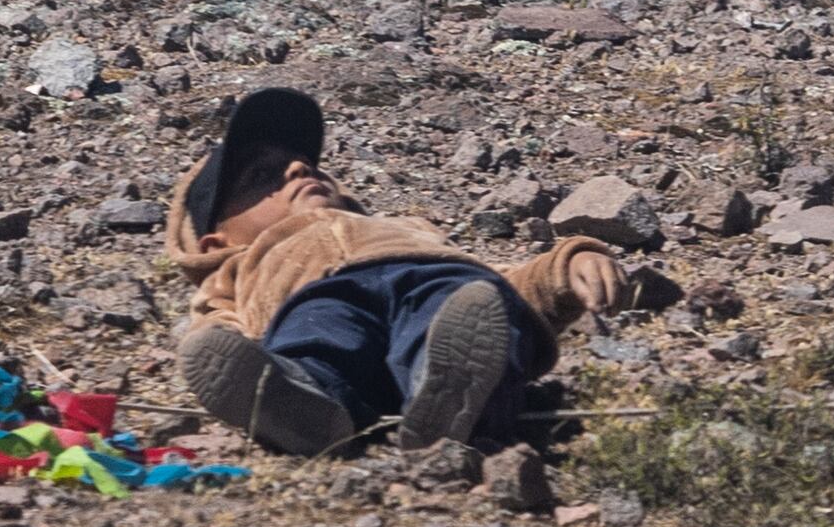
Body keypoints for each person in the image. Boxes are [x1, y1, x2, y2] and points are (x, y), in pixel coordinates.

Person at [161, 84, 646, 455]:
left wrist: (569, 264)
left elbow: (506, 282)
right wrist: (241, 372)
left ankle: (448, 391)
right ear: (216, 242)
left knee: (469, 304)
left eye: (305, 163)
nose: (296, 171)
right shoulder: (241, 269)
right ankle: (305, 404)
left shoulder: (404, 228)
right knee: (316, 335)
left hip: (435, 283)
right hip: (319, 302)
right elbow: (219, 331)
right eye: (262, 177)